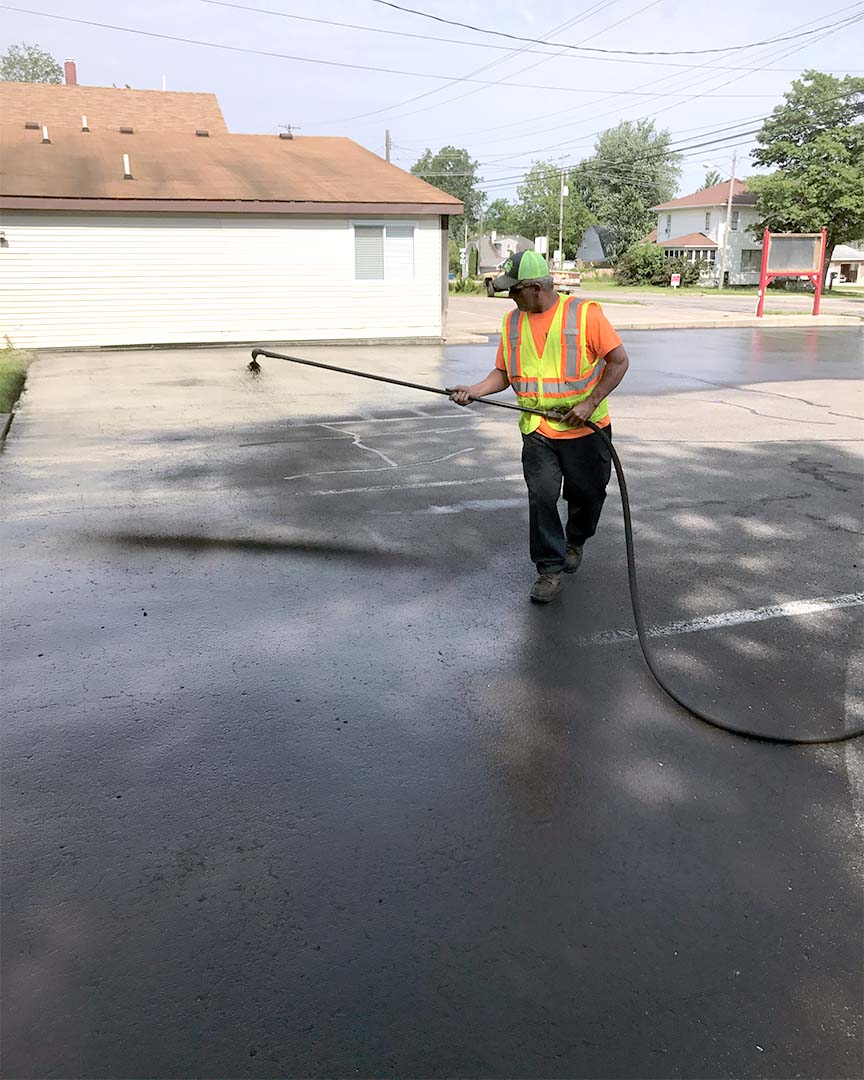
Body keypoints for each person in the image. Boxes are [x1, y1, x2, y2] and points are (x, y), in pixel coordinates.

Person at [449, 250, 630, 604]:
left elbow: (619, 361)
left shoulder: (584, 315)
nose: (509, 296)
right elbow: (503, 373)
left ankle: (575, 541)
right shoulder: (513, 322)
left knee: (588, 496)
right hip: (537, 429)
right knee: (543, 496)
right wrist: (474, 390)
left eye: (513, 290)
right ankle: (549, 568)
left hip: (585, 429)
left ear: (534, 287)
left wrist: (590, 402)